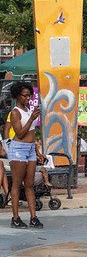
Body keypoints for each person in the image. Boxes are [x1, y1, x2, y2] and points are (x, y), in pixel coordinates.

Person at [7, 81, 43, 228]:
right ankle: (15, 218)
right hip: (18, 148)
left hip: (30, 149)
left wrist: (36, 150)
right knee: (16, 184)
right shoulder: (15, 112)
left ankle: (33, 217)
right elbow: (20, 133)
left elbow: (32, 133)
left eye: (29, 95)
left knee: (29, 184)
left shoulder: (28, 109)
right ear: (17, 96)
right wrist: (32, 119)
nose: (27, 98)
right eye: (24, 96)